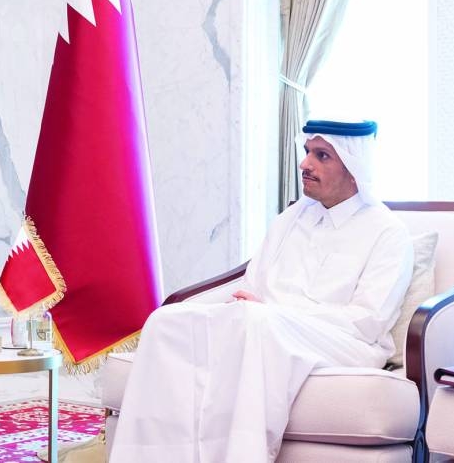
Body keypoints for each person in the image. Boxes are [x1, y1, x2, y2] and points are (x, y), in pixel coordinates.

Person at [109, 119, 414, 462]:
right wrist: (255, 308)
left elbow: (367, 321)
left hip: (345, 341)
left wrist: (275, 313)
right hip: (265, 325)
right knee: (165, 322)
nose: (305, 164)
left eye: (322, 156)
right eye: (307, 152)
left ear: (353, 168)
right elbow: (252, 287)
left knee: (256, 323)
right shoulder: (291, 219)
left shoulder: (387, 233)